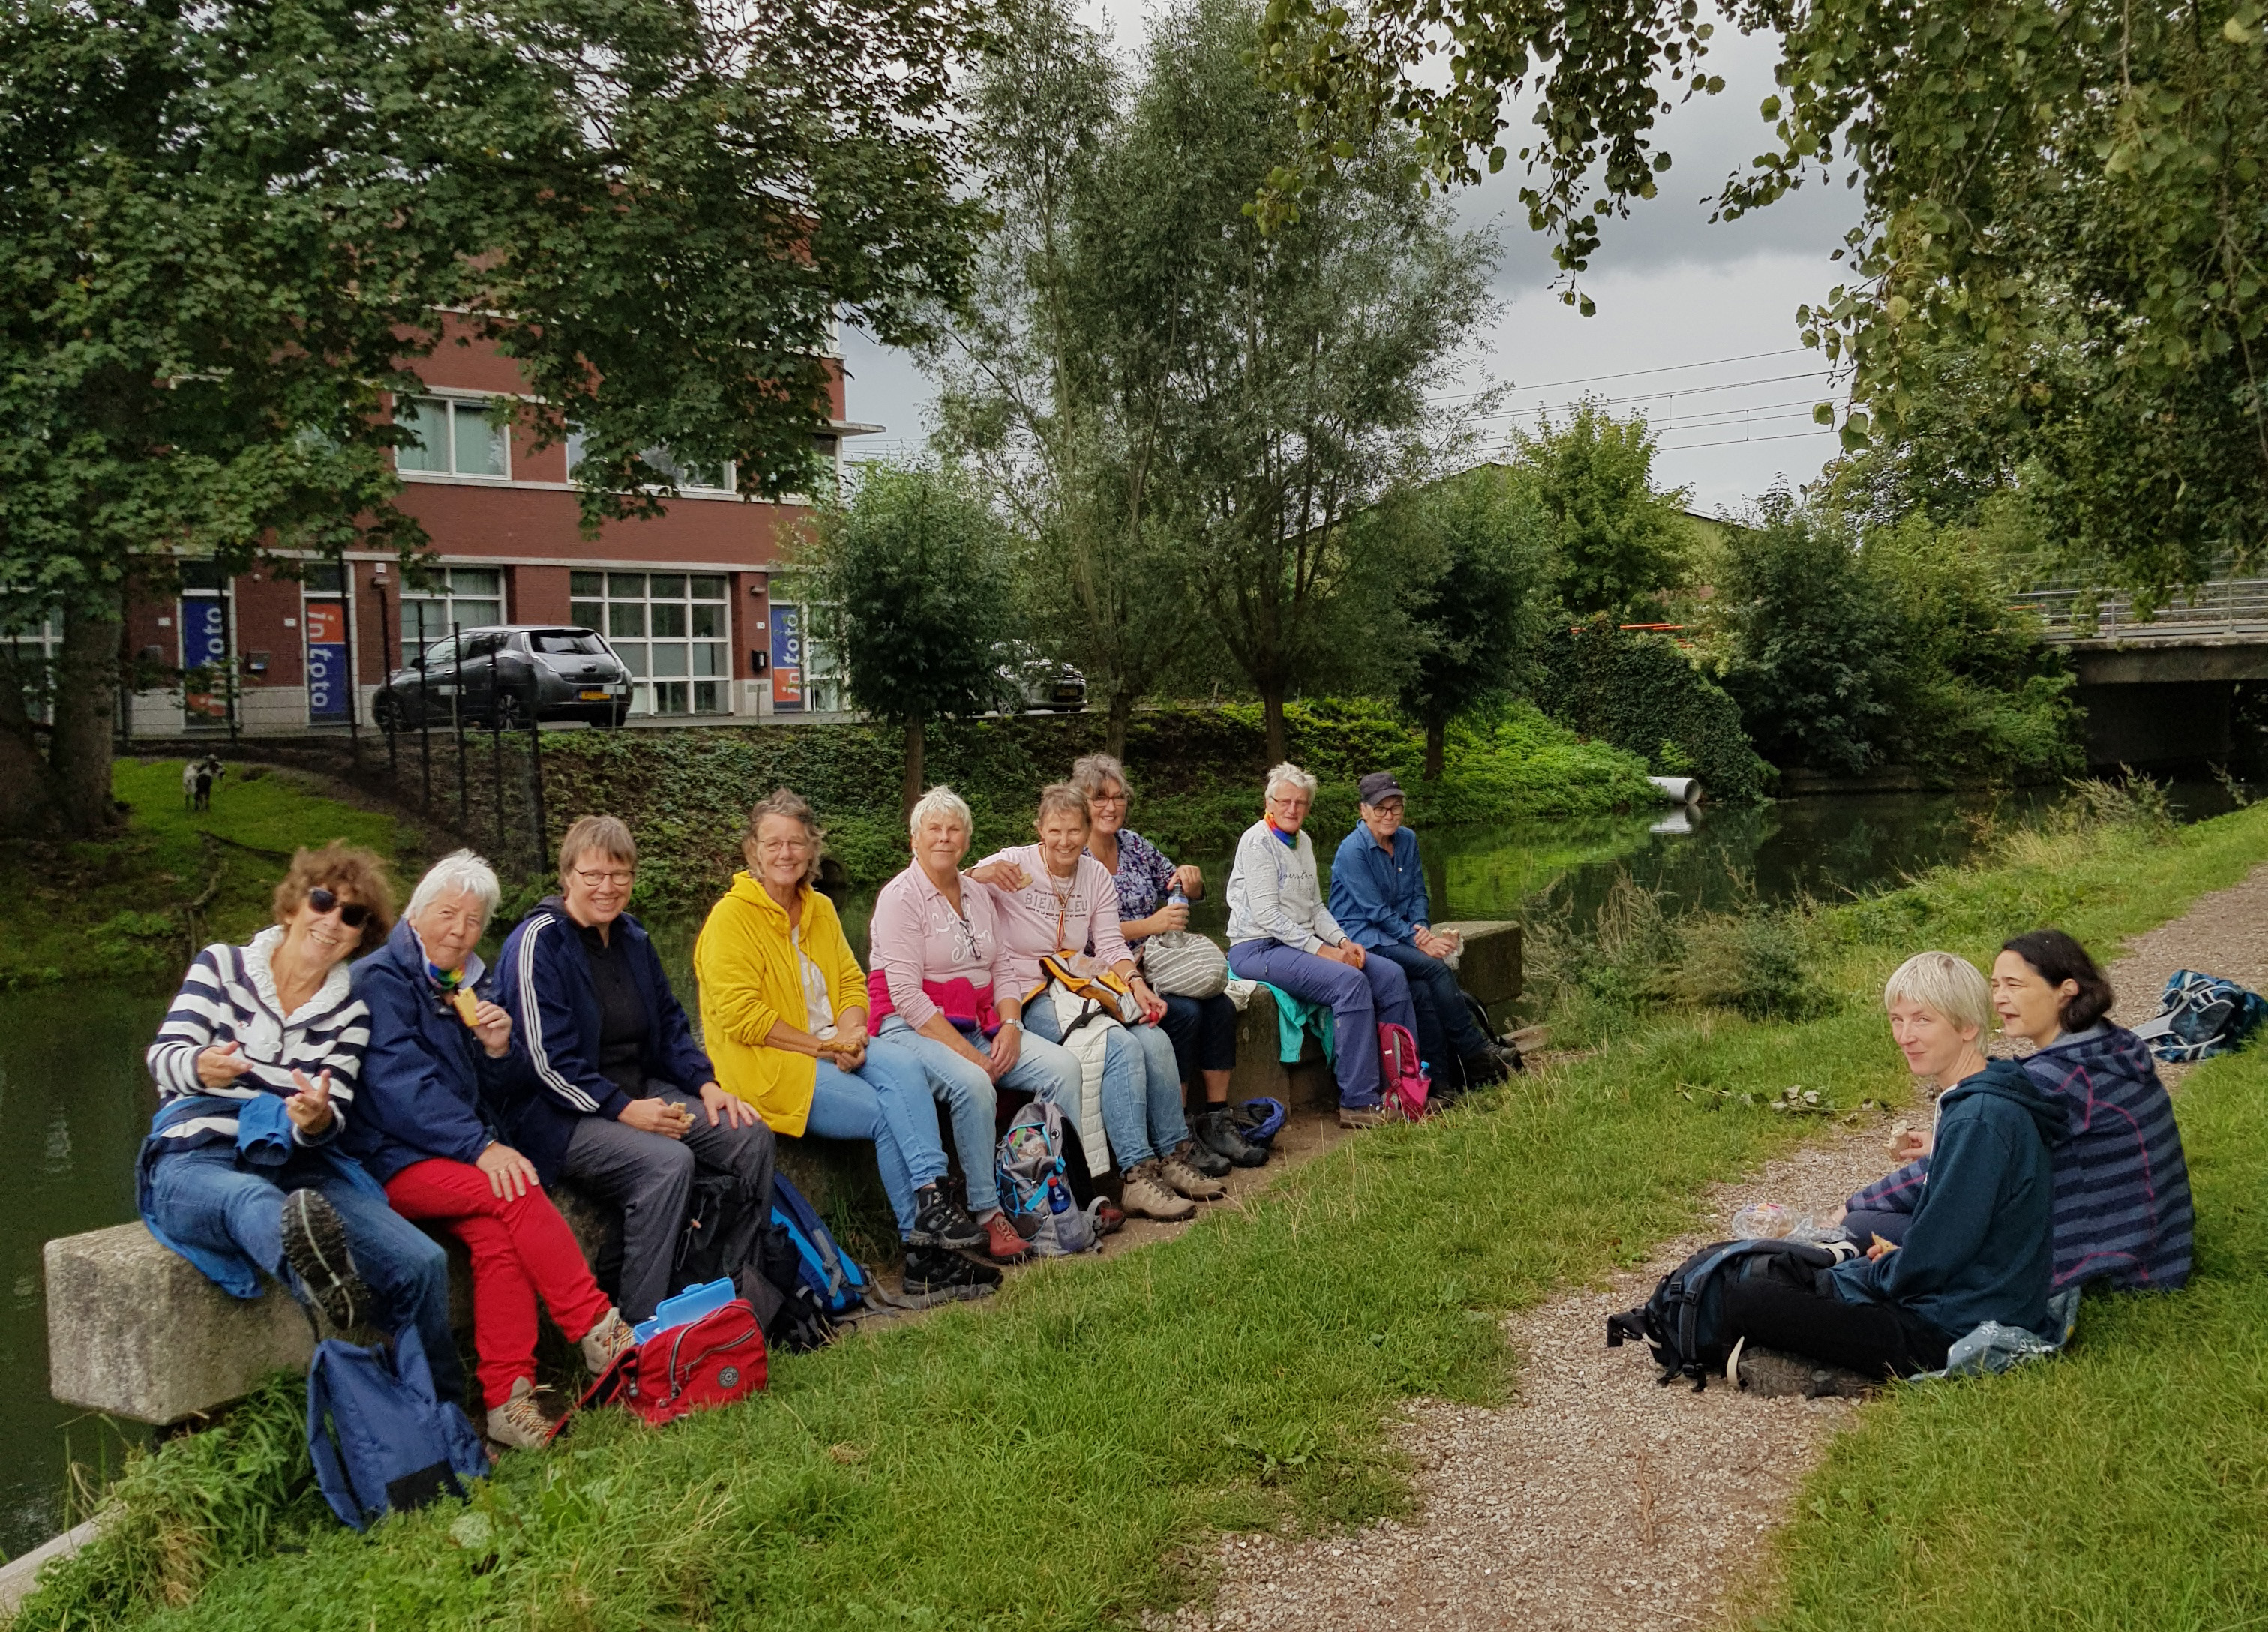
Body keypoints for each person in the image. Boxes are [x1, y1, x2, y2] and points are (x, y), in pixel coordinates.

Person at [139, 843, 460, 1406]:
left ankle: (444, 1413)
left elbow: (330, 1120)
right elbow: (163, 1055)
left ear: (362, 936)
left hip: (294, 1162)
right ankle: (330, 1287)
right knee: (250, 1202)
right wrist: (200, 1066)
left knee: (423, 1261)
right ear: (292, 907)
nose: (333, 921)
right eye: (323, 901)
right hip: (195, 1157)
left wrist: (314, 1118)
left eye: (353, 916)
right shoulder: (221, 965)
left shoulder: (350, 1013)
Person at [349, 850, 635, 1450]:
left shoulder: (460, 985)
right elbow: (403, 1091)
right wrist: (481, 1148)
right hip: (391, 1160)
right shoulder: (381, 981)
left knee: (497, 1239)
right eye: (448, 914)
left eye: (475, 921)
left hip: (449, 1155)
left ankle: (508, 1402)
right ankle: (598, 1330)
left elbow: (494, 1094)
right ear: (416, 915)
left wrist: (497, 1052)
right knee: (515, 1185)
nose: (460, 930)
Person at [696, 789, 1016, 1297]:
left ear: (811, 849)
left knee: (908, 1068)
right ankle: (925, 1255)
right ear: (753, 851)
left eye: (796, 843)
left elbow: (850, 980)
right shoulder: (729, 920)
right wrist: (826, 1047)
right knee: (887, 1111)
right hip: (775, 1065)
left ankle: (929, 1212)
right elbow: (742, 1018)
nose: (785, 854)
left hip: (835, 1046)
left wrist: (849, 1030)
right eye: (773, 844)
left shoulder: (819, 907)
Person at [1721, 950, 2065, 1378]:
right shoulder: (1983, 1098)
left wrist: (1881, 1269)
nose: (1905, 1036)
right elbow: (1954, 1233)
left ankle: (1817, 1370)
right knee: (1789, 1272)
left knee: (1750, 1299)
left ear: (1967, 1025)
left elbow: (1940, 1250)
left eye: (1922, 1020)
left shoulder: (1980, 1118)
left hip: (1959, 1323)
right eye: (1896, 1020)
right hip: (1977, 1294)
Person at [494, 817, 776, 1325]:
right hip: (560, 1116)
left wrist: (706, 1085)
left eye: (620, 874)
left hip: (641, 1090)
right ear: (567, 877)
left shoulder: (632, 937)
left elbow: (669, 1025)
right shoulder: (538, 942)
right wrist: (625, 1111)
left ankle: (738, 1296)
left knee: (748, 1135)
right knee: (667, 1164)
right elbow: (545, 1063)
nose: (608, 887)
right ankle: (644, 1327)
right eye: (594, 874)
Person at [1842, 928, 2194, 1292]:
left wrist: (1849, 1205)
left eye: (2014, 985)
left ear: (2065, 990)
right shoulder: (2106, 1046)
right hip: (2156, 1246)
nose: (2000, 999)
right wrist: (1945, 1142)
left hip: (2105, 1262)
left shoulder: (2056, 1079)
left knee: (1862, 1222)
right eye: (1995, 986)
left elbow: (1958, 1171)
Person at [971, 782, 1226, 1222]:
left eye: (1074, 831)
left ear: (1087, 830)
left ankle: (1171, 1155)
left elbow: (1110, 942)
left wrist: (1135, 984)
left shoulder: (1095, 877)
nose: (1065, 841)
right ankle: (1136, 1174)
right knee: (1119, 1046)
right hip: (1027, 992)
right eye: (1055, 831)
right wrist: (980, 875)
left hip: (1079, 985)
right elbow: (953, 885)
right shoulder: (1012, 862)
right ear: (1040, 829)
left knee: (1153, 1036)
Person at [868, 786, 1101, 1265]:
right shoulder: (900, 898)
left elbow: (1001, 971)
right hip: (910, 1029)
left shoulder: (977, 893)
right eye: (933, 829)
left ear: (967, 840)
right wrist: (973, 1055)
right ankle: (987, 1211)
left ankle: (1061, 1192)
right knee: (975, 1084)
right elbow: (908, 999)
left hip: (980, 1021)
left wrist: (1012, 1024)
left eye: (954, 829)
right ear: (915, 839)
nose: (944, 838)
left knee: (1062, 1065)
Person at [1070, 753, 1262, 1169]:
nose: (1110, 807)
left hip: (1158, 964)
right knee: (1184, 1012)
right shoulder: (1074, 856)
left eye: (1118, 798)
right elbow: (1080, 934)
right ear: (1080, 803)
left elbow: (1177, 883)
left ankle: (1216, 1119)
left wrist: (1191, 882)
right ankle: (1177, 1133)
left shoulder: (1135, 845)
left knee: (1221, 1006)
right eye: (1099, 798)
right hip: (1107, 973)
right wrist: (1149, 924)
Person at [1224, 763, 1419, 1129]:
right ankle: (1358, 1102)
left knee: (1391, 975)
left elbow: (1315, 908)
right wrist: (1325, 952)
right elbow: (1267, 916)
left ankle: (1401, 1085)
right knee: (1349, 983)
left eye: (1300, 802)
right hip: (1258, 948)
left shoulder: (1304, 841)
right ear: (1269, 803)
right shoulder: (1257, 842)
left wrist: (1345, 941)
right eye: (1284, 801)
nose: (1292, 809)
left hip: (1298, 944)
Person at [1328, 771, 1520, 1091]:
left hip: (1398, 933)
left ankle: (1440, 1084)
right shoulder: (1352, 851)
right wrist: (1420, 942)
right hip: (1364, 937)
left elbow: (1418, 894)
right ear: (1364, 811)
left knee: (1423, 990)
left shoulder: (1408, 840)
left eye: (1396, 808)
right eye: (1381, 809)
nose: (1389, 816)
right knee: (1435, 969)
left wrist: (1421, 928)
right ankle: (1475, 1052)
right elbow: (1374, 911)